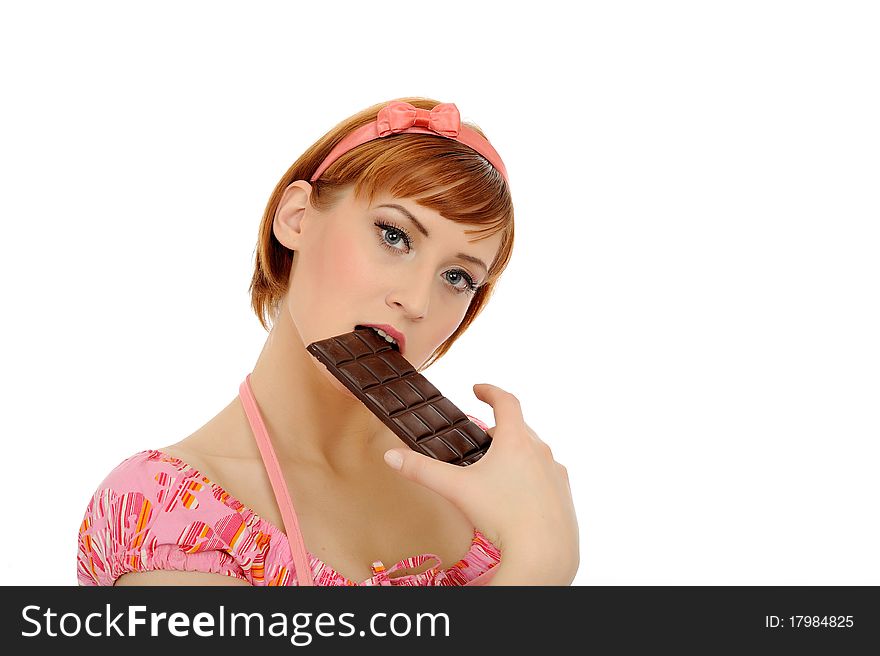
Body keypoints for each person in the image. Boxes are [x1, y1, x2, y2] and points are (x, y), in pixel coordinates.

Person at [76, 97, 579, 586]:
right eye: (395, 236)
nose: (418, 301)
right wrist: (534, 571)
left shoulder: (488, 469)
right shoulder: (172, 518)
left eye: (457, 277)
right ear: (297, 218)